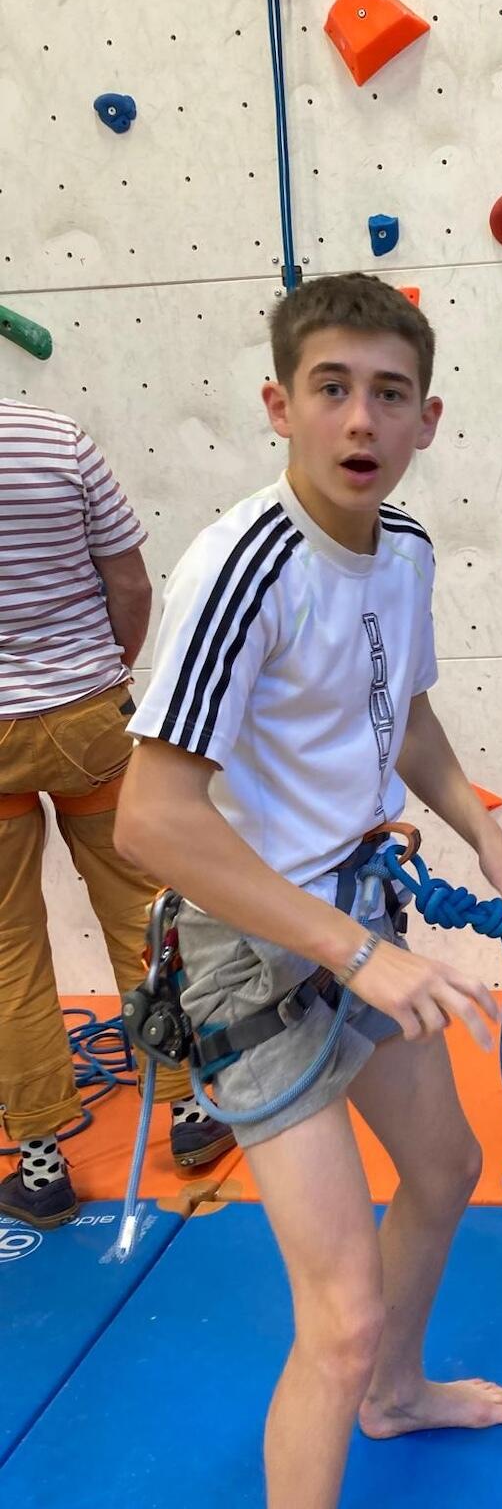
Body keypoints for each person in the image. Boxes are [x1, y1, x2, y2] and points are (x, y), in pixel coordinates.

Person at [114, 272, 502, 1509]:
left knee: (445, 1167)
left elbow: (399, 709)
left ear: (428, 420)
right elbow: (152, 817)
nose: (362, 420)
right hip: (249, 945)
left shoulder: (401, 547)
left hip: (358, 913)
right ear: (281, 406)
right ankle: (368, 1374)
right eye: (332, 389)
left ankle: (396, 1394)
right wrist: (360, 954)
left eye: (390, 394)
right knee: (339, 1316)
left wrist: (483, 828)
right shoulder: (242, 568)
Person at [0, 401, 234, 1229]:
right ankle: (189, 1110)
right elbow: (130, 583)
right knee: (143, 911)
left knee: (6, 950)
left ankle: (41, 1164)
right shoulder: (56, 439)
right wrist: (105, 670)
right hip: (86, 716)